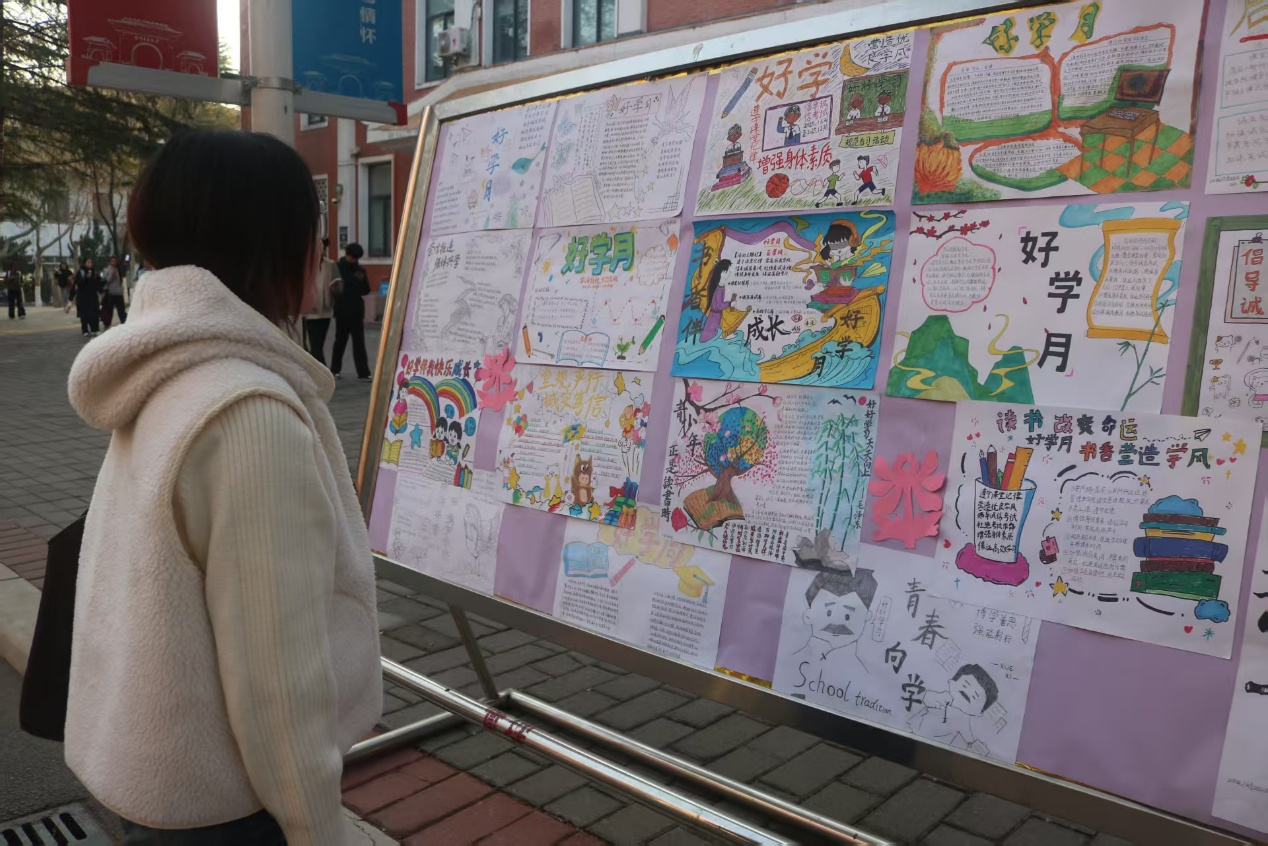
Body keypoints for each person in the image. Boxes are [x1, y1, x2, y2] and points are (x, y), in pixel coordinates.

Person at [64, 128, 381, 845]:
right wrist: (318, 829)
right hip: (229, 805)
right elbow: (278, 680)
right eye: (314, 230)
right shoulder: (247, 415)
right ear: (271, 241)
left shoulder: (170, 367)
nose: (321, 251)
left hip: (156, 772)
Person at [332, 242, 371, 380]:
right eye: (352, 257)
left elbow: (366, 290)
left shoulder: (360, 270)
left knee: (359, 343)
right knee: (340, 341)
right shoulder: (337, 268)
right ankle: (335, 370)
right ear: (347, 255)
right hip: (342, 309)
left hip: (356, 310)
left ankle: (363, 373)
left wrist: (359, 282)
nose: (354, 260)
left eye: (356, 258)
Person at [305, 238, 336, 365]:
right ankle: (322, 372)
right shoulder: (305, 265)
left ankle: (318, 371)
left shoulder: (331, 265)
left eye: (323, 249)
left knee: (318, 346)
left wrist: (336, 287)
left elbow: (338, 283)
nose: (322, 252)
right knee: (314, 346)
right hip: (309, 312)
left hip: (325, 311)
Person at [71, 258, 103, 336]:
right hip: (83, 297)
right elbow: (77, 284)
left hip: (92, 296)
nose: (90, 264)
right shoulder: (80, 272)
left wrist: (102, 291)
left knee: (95, 313)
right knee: (84, 314)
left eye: (91, 262)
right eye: (88, 262)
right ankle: (85, 330)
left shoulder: (94, 272)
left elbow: (99, 283)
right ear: (85, 263)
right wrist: (86, 278)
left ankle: (95, 329)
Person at [101, 255, 127, 328]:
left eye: (115, 261)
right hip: (110, 292)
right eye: (112, 261)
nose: (114, 262)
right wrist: (111, 277)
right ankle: (107, 324)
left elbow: (121, 280)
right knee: (109, 310)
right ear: (109, 262)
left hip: (118, 292)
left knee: (121, 309)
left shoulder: (118, 269)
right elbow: (105, 281)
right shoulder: (106, 270)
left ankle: (124, 322)